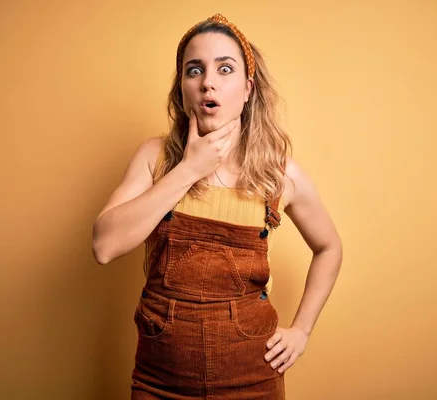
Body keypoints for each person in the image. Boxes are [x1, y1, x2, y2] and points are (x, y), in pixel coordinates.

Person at [92, 13, 343, 399]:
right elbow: (104, 247)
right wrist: (189, 170)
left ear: (247, 88)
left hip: (252, 381)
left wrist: (302, 330)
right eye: (194, 70)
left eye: (224, 69)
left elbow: (329, 247)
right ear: (182, 90)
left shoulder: (278, 174)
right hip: (159, 383)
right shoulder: (154, 157)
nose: (208, 81)